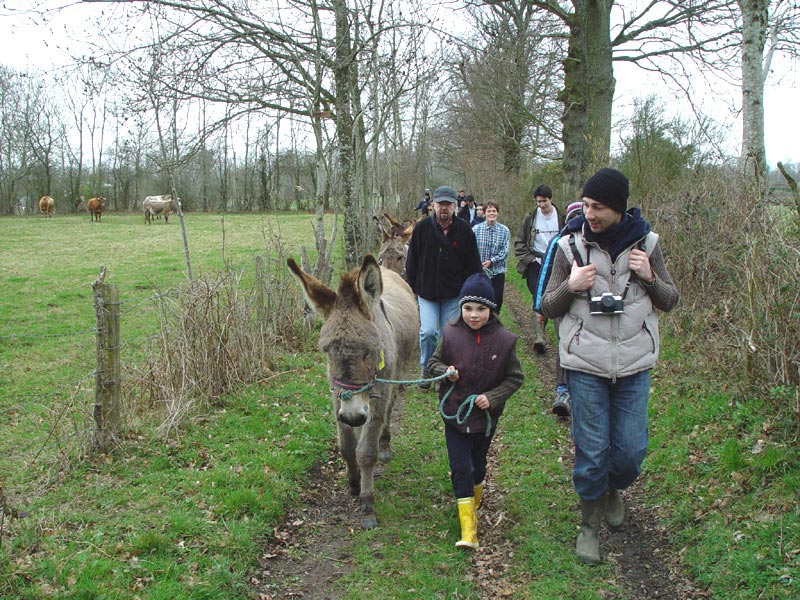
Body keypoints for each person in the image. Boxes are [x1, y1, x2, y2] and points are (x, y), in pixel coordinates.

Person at [540, 167, 679, 566]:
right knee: (592, 450)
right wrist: (571, 286)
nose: (590, 214)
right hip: (585, 365)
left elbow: (669, 300)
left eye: (598, 207)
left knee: (631, 452)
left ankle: (613, 487)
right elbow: (547, 305)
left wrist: (649, 277)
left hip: (634, 365)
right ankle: (589, 526)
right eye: (586, 205)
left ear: (618, 208)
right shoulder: (569, 247)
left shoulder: (648, 244)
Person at [427, 272, 524, 549]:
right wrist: (445, 372)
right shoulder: (450, 334)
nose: (473, 315)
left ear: (491, 310)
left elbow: (515, 378)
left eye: (481, 309)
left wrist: (492, 398)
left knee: (477, 466)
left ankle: (474, 497)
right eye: (468, 308)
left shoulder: (505, 341)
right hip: (455, 413)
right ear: (461, 308)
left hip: (485, 418)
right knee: (461, 467)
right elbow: (432, 364)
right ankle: (468, 530)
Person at [405, 185, 483, 389]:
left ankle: (441, 372)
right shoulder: (422, 229)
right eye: (440, 204)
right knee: (428, 332)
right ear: (433, 205)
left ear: (455, 206)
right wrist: (412, 288)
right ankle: (426, 367)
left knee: (449, 335)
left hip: (453, 293)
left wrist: (474, 290)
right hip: (427, 292)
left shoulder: (464, 230)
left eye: (448, 204)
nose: (444, 208)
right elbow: (411, 261)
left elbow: (473, 263)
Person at [540, 200, 584, 418]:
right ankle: (563, 391)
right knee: (564, 344)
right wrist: (539, 306)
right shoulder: (559, 243)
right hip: (562, 304)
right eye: (573, 218)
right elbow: (546, 272)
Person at [514, 184, 564, 354]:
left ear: (551, 199)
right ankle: (539, 338)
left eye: (544, 201)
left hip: (557, 263)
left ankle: (561, 338)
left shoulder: (561, 217)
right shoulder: (530, 217)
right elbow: (519, 242)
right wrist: (531, 260)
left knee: (555, 298)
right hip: (536, 264)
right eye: (538, 202)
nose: (541, 205)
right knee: (538, 297)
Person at [472, 201, 510, 313]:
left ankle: (495, 319)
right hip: (481, 270)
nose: (491, 213)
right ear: (484, 213)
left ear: (498, 213)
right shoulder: (475, 229)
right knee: (481, 298)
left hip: (498, 270)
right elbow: (471, 249)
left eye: (494, 211)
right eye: (489, 211)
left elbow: (505, 251)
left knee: (497, 297)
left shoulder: (504, 230)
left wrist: (492, 261)